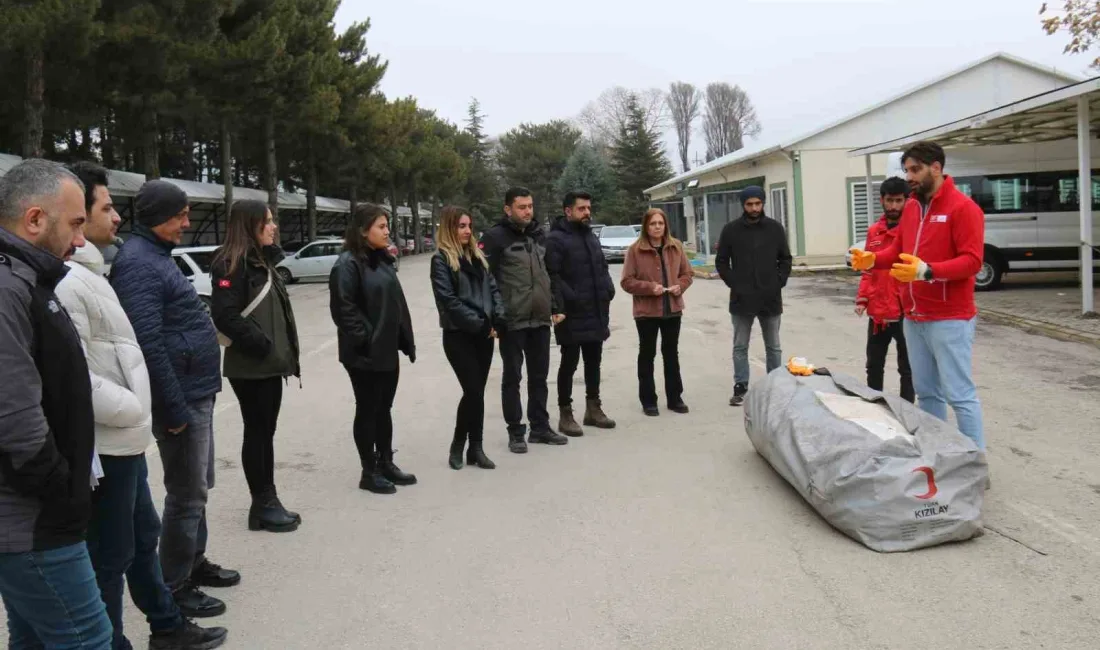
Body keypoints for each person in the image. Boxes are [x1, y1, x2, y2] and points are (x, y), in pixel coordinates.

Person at [55, 163, 228, 650]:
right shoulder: (89, 275)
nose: (117, 218)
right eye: (106, 208)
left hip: (130, 430)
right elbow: (127, 353)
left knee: (144, 528)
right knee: (114, 551)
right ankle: (128, 630)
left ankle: (167, 620)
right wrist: (152, 408)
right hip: (114, 433)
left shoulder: (103, 267)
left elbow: (123, 347)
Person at [111, 180, 240, 619]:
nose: (188, 222)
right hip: (181, 399)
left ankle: (193, 561)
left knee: (199, 487)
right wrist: (172, 408)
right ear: (158, 215)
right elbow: (148, 342)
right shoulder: (139, 264)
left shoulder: (155, 257)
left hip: (195, 391)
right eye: (181, 214)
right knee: (186, 494)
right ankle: (176, 584)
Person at [0, 159, 113, 649]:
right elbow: (16, 420)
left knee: (35, 638)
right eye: (75, 223)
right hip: (34, 522)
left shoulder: (27, 280)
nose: (81, 240)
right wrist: (64, 492)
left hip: (32, 518)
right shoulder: (8, 289)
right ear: (34, 220)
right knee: (86, 638)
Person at [849, 141, 985, 450]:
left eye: (915, 169)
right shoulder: (912, 207)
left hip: (949, 318)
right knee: (927, 393)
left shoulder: (963, 209)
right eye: (906, 169)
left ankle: (975, 461)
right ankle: (936, 453)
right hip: (913, 315)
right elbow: (899, 251)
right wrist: (874, 259)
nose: (909, 176)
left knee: (959, 394)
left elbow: (972, 261)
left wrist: (927, 271)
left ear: (935, 168)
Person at [210, 200, 302, 533]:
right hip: (252, 364)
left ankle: (265, 503)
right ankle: (264, 503)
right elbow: (225, 315)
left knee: (265, 433)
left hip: (266, 364)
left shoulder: (260, 259)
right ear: (251, 225)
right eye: (268, 221)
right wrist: (263, 344)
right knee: (258, 432)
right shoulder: (230, 263)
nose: (274, 226)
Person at [329, 203, 417, 494]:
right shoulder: (348, 264)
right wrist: (365, 339)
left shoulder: (382, 260)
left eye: (386, 226)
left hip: (386, 350)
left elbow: (395, 303)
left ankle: (386, 462)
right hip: (364, 354)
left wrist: (402, 337)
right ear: (363, 231)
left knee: (384, 409)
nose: (387, 231)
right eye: (381, 226)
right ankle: (369, 471)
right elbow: (344, 309)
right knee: (368, 409)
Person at [479, 187, 567, 452]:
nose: (528, 211)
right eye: (522, 207)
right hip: (512, 321)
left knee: (539, 377)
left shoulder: (540, 235)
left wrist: (555, 305)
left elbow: (549, 273)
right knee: (512, 377)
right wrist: (494, 318)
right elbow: (485, 281)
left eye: (530, 206)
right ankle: (516, 431)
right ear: (508, 209)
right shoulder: (495, 238)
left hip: (540, 319)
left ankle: (540, 428)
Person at [430, 206, 507, 470]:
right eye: (461, 226)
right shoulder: (441, 260)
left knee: (477, 393)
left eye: (468, 226)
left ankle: (476, 448)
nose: (466, 230)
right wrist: (480, 324)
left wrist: (498, 318)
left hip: (484, 335)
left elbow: (493, 289)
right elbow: (449, 301)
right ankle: (458, 444)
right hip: (458, 335)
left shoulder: (477, 256)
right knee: (472, 391)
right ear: (450, 228)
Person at [544, 191, 617, 434]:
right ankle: (565, 414)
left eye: (588, 208)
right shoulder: (555, 239)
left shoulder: (591, 236)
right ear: (568, 211)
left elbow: (602, 266)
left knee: (593, 362)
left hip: (596, 310)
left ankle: (593, 409)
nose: (587, 212)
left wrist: (608, 288)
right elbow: (552, 275)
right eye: (582, 209)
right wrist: (568, 300)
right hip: (572, 314)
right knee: (569, 363)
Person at [715, 186, 793, 407]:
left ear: (763, 203)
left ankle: (774, 385)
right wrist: (735, 284)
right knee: (740, 346)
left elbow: (785, 259)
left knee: (774, 346)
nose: (754, 208)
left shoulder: (775, 229)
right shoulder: (731, 230)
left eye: (757, 203)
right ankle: (741, 387)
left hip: (770, 297)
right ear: (743, 205)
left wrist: (778, 282)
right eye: (749, 204)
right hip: (742, 299)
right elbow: (721, 262)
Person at [620, 207, 694, 416]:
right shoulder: (635, 250)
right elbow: (627, 282)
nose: (657, 227)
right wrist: (650, 288)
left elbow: (687, 273)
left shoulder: (676, 246)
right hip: (646, 312)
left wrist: (681, 285)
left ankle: (675, 398)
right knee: (647, 354)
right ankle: (648, 400)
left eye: (660, 223)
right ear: (646, 226)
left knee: (671, 354)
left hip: (672, 309)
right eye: (653, 223)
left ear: (665, 225)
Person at [855, 176, 915, 403]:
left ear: (906, 201)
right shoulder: (874, 232)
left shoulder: (912, 231)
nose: (893, 206)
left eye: (899, 201)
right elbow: (868, 269)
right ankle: (875, 406)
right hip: (879, 311)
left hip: (905, 310)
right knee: (874, 365)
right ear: (881, 200)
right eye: (889, 200)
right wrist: (862, 298)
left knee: (907, 367)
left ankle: (907, 409)